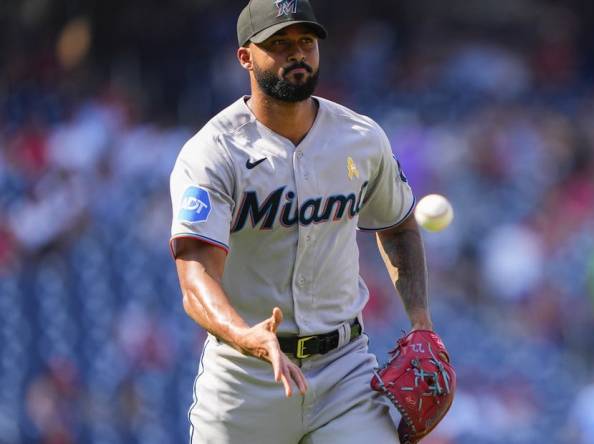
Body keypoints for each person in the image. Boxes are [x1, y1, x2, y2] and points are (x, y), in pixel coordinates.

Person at [169, 0, 435, 442]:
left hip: (345, 371)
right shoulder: (214, 152)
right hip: (246, 377)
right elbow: (195, 275)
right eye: (279, 44)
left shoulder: (360, 137)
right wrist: (245, 336)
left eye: (305, 42)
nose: (296, 53)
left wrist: (421, 322)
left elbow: (399, 224)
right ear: (245, 57)